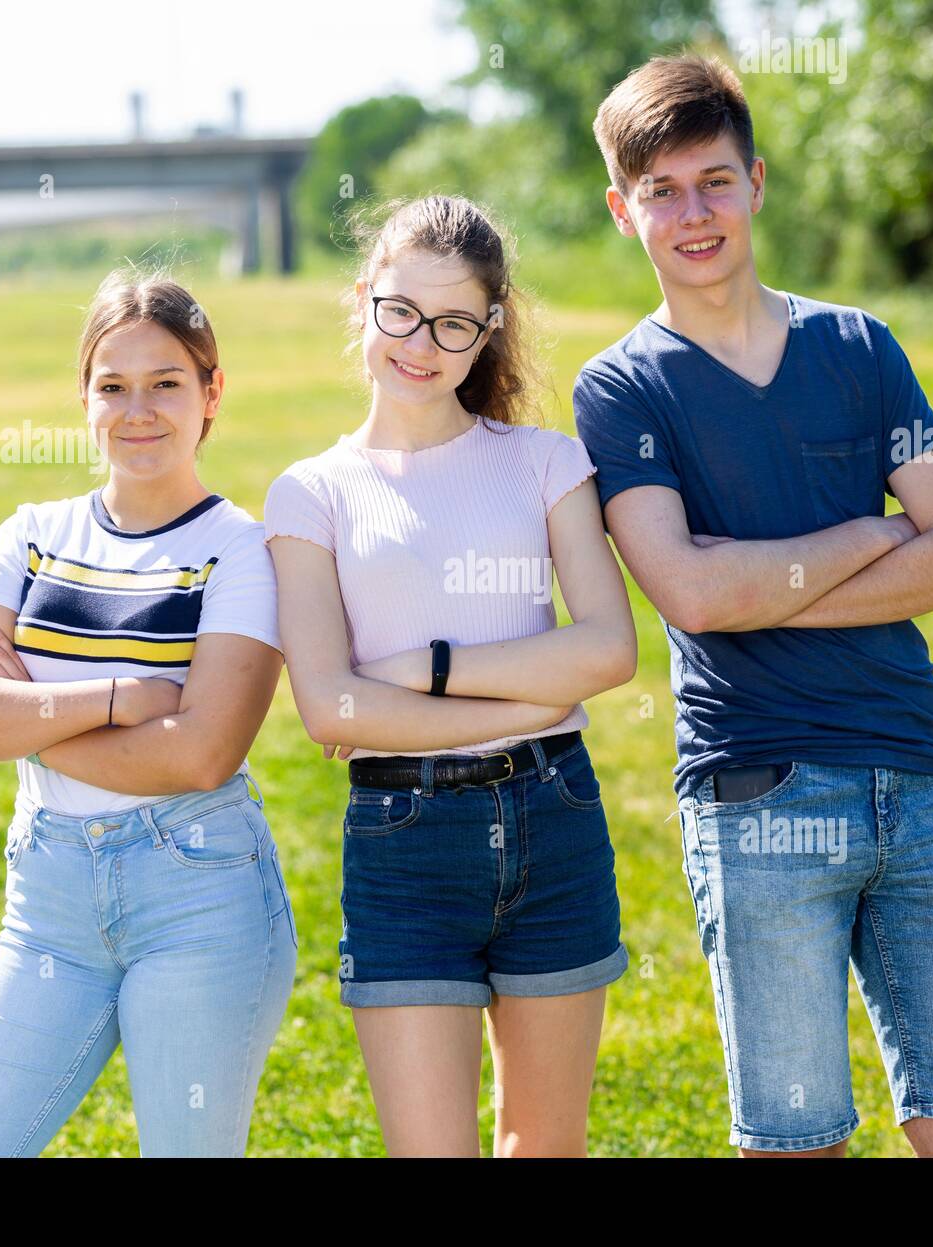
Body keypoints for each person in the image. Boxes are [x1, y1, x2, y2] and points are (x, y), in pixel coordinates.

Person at [572, 54, 933, 1157]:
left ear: (757, 182)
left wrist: (753, 584)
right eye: (662, 191)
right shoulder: (619, 388)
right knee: (794, 1139)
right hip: (755, 792)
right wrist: (875, 531)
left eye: (714, 181)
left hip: (919, 777)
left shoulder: (860, 347)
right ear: (621, 209)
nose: (694, 212)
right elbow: (683, 590)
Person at [265, 195, 637, 1157]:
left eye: (454, 323)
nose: (421, 344)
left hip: (555, 823)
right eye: (400, 312)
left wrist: (423, 672)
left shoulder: (548, 464)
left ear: (488, 332)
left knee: (544, 1147)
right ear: (363, 300)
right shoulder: (311, 491)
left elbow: (607, 649)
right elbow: (328, 705)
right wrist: (530, 699)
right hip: (404, 842)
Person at [0, 269, 295, 1157]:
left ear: (212, 391)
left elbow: (200, 755)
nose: (139, 411)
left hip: (198, 899)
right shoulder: (31, 534)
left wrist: (29, 716)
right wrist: (117, 700)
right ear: (82, 400)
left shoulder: (239, 549)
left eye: (166, 383)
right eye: (112, 386)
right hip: (47, 909)